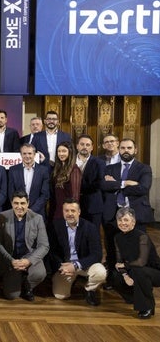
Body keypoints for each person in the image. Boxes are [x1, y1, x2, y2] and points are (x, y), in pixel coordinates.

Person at [102, 138, 153, 279]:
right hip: (112, 214)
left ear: (135, 150)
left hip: (136, 214)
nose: (126, 151)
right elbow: (104, 186)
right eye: (123, 148)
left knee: (137, 248)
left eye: (129, 148)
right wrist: (126, 183)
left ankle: (136, 278)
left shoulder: (144, 168)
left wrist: (117, 186)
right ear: (119, 150)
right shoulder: (110, 168)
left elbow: (143, 188)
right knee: (111, 248)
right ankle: (112, 278)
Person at [48, 199, 107, 306]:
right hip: (64, 267)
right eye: (66, 211)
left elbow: (97, 254)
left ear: (79, 212)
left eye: (73, 211)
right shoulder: (55, 226)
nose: (70, 214)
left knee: (101, 272)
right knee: (61, 295)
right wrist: (61, 267)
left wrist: (75, 265)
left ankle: (89, 289)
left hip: (83, 265)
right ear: (63, 212)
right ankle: (73, 279)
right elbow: (52, 251)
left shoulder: (90, 227)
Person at [0, 191, 49, 301]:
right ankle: (17, 279)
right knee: (12, 295)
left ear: (28, 203)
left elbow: (44, 245)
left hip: (29, 257)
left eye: (23, 203)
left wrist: (28, 261)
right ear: (11, 203)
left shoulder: (37, 218)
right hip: (10, 259)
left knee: (40, 273)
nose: (19, 207)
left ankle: (27, 286)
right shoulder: (1, 217)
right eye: (16, 203)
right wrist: (11, 260)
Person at [111, 207, 160, 319]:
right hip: (135, 269)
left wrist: (125, 266)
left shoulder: (142, 236)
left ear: (133, 222)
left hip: (154, 272)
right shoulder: (117, 237)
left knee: (139, 272)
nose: (123, 223)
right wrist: (125, 275)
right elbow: (119, 262)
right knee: (114, 276)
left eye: (126, 220)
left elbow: (141, 262)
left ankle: (147, 307)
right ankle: (133, 298)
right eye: (120, 220)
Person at [7, 143, 50, 220]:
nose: (27, 156)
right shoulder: (13, 170)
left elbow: (45, 194)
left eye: (30, 153)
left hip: (37, 213)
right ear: (21, 155)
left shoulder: (43, 170)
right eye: (24, 153)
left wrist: (32, 210)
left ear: (34, 154)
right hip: (18, 212)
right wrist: (20, 208)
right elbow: (11, 192)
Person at [76, 134, 105, 228]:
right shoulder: (70, 161)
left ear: (92, 147)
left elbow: (99, 184)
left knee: (93, 236)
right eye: (82, 144)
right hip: (73, 206)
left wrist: (77, 187)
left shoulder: (99, 162)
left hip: (93, 206)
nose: (84, 147)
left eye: (88, 145)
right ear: (77, 146)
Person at [50, 141, 81, 220]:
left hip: (67, 212)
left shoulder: (74, 170)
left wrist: (70, 212)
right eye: (59, 151)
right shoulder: (58, 169)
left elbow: (75, 196)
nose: (61, 154)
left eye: (64, 151)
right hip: (57, 210)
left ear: (70, 152)